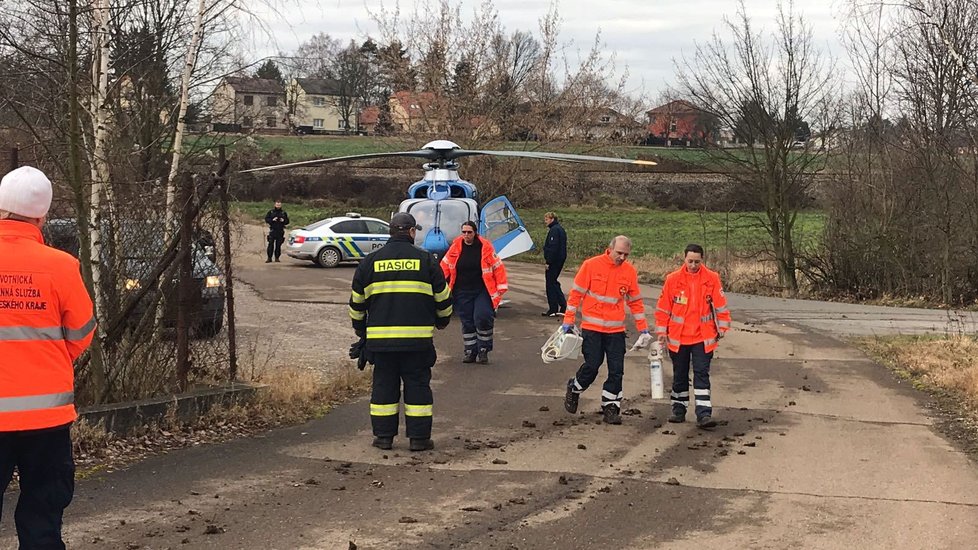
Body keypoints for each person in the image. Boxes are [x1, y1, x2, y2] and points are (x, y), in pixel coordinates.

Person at [0, 166, 96, 549]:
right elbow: (83, 332)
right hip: (47, 419)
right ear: (42, 215)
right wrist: (49, 359)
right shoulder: (60, 266)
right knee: (42, 516)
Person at [349, 212, 452, 452]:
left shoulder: (369, 262)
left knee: (384, 387)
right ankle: (418, 439)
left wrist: (361, 332)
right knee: (417, 388)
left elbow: (356, 305)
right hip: (417, 343)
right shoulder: (427, 261)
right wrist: (442, 321)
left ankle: (383, 438)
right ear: (412, 232)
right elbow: (444, 300)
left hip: (381, 344)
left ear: (390, 232)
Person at [562, 236, 651, 425]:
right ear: (609, 249)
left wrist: (643, 330)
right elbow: (575, 295)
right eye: (619, 253)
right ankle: (575, 387)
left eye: (626, 254)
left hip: (616, 331)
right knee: (592, 365)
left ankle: (611, 406)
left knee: (616, 370)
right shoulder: (591, 265)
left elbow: (635, 302)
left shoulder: (629, 272)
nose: (622, 257)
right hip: (592, 329)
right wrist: (568, 321)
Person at [654, 243, 731, 429]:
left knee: (701, 374)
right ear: (684, 259)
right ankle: (678, 409)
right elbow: (663, 308)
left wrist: (723, 327)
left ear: (702, 260)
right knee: (679, 374)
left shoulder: (712, 278)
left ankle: (704, 414)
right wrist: (661, 332)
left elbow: (721, 305)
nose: (693, 265)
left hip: (702, 338)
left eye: (697, 261)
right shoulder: (672, 279)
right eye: (690, 261)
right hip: (678, 338)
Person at [441, 221, 508, 364]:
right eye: (464, 232)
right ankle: (470, 350)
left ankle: (483, 349)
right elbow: (444, 267)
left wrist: (501, 288)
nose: (466, 235)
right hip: (462, 290)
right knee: (467, 321)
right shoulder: (455, 247)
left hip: (482, 290)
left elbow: (498, 267)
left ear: (475, 232)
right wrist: (437, 283)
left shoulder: (485, 247)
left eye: (469, 232)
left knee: (483, 317)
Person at [542, 211, 567, 316]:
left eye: (547, 219)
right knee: (554, 282)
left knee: (550, 283)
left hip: (554, 261)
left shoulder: (554, 230)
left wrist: (548, 261)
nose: (545, 221)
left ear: (552, 219)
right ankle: (562, 304)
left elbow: (553, 247)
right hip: (559, 259)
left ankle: (553, 308)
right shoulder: (560, 229)